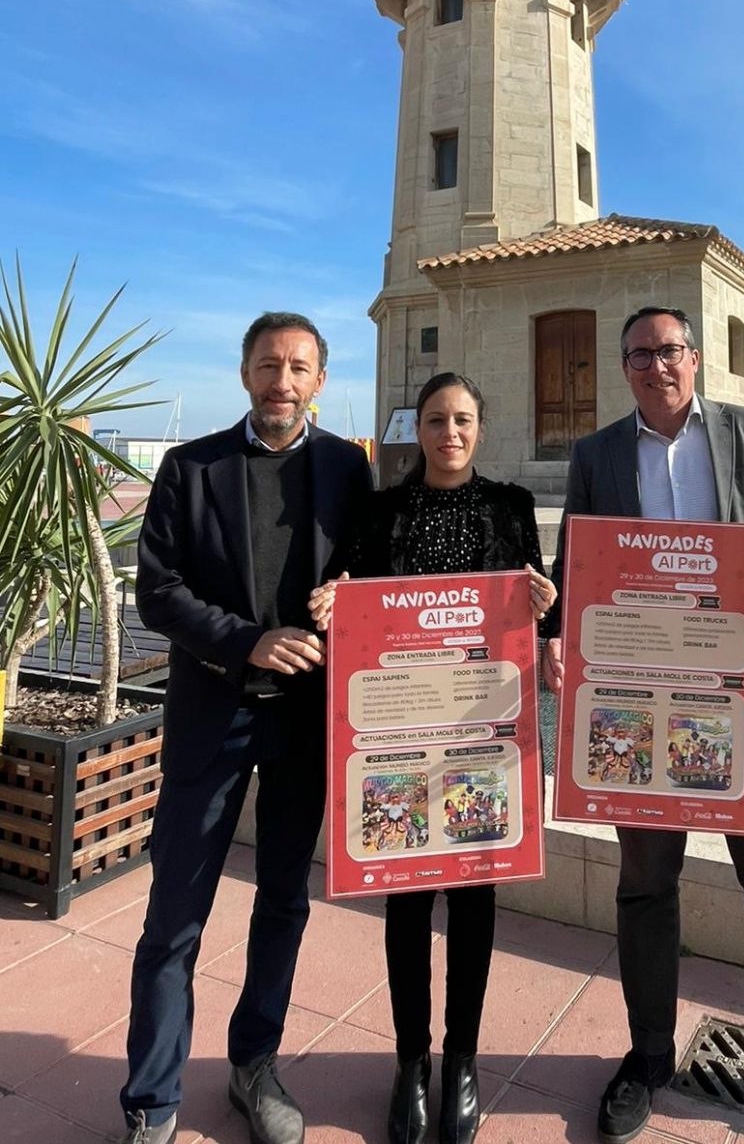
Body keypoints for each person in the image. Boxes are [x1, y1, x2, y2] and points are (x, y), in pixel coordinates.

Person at [541, 308, 744, 1144]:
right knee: (646, 886)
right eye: (641, 354)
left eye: (671, 350)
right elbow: (574, 561)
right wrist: (549, 631)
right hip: (640, 699)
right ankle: (648, 1056)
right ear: (624, 367)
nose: (658, 365)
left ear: (694, 358)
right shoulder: (597, 454)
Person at [118, 314, 374, 1144]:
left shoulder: (346, 466)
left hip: (305, 724)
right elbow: (158, 590)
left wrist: (349, 591)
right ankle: (151, 1099)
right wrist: (246, 641)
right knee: (174, 914)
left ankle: (252, 1065)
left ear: (321, 381)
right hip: (212, 719)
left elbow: (370, 571)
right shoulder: (188, 468)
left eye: (299, 367)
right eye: (269, 364)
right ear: (243, 372)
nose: (282, 380)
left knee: (284, 902)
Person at [309, 372, 556, 1144]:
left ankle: (464, 1060)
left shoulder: (511, 507)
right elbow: (341, 593)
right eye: (437, 419)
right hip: (402, 739)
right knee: (408, 900)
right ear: (417, 428)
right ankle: (411, 1061)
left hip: (482, 735)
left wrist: (544, 607)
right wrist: (328, 600)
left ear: (480, 428)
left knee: (477, 904)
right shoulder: (379, 512)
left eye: (463, 419)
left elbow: (533, 608)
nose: (450, 431)